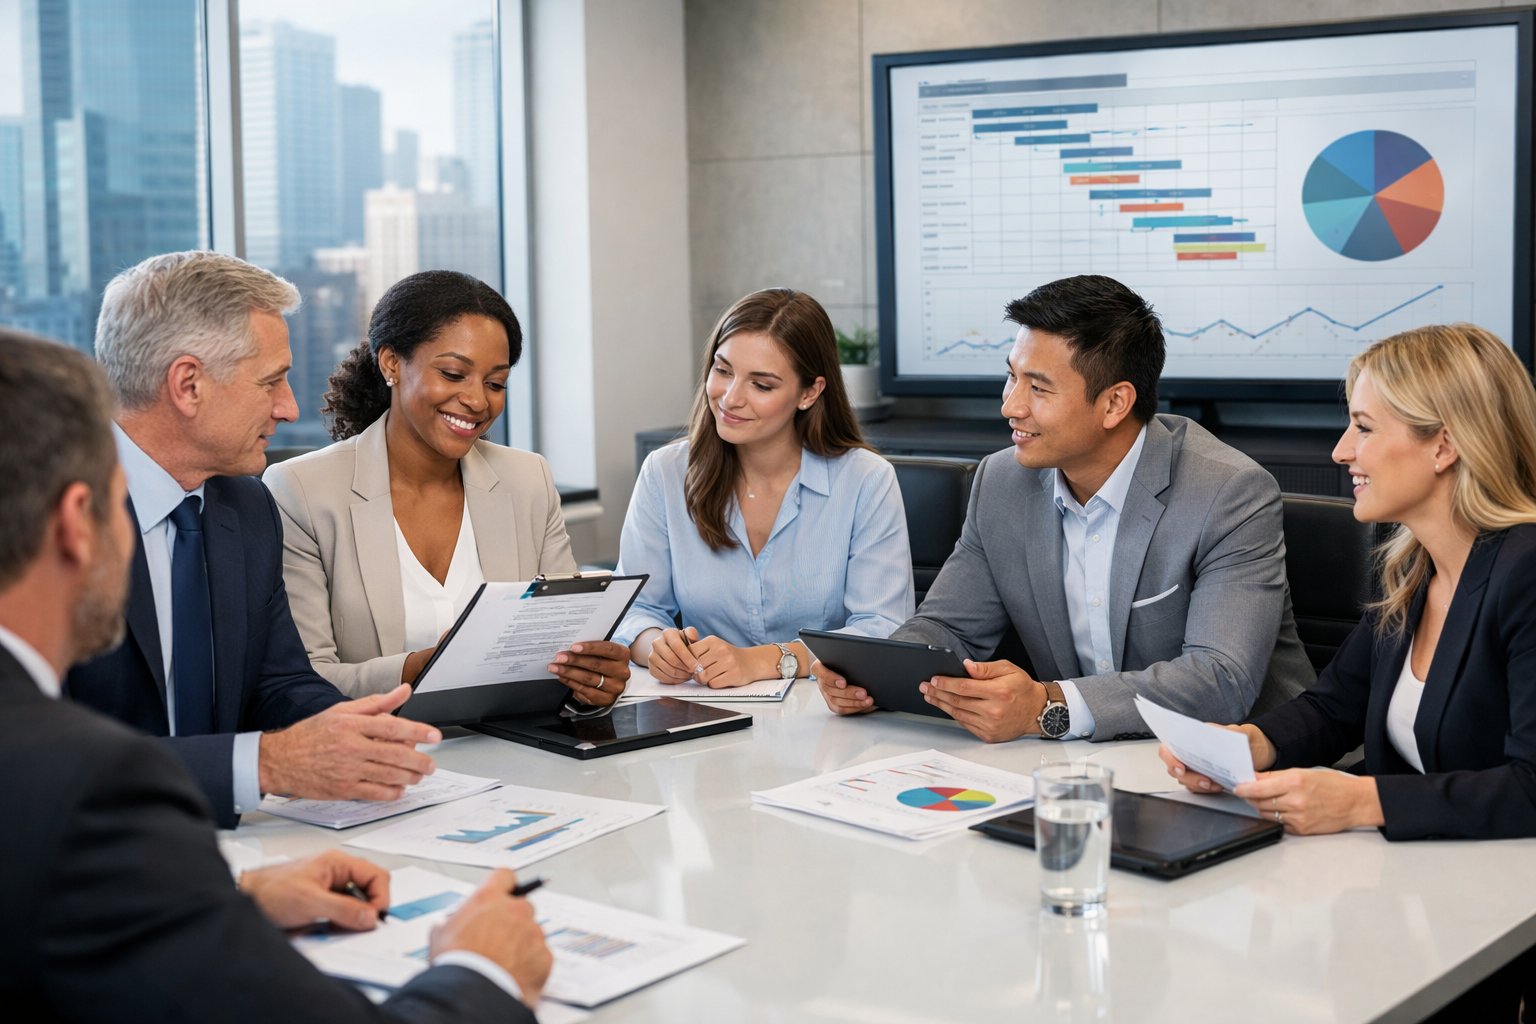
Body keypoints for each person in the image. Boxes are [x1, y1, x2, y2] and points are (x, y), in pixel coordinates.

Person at [0, 327, 551, 1023]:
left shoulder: (242, 504)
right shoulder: (81, 786)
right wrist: (484, 969)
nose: (291, 407)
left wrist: (241, 896)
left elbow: (48, 907)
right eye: (118, 503)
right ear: (78, 523)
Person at [819, 274, 1314, 740]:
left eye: (1038, 388)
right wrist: (872, 674)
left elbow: (1219, 679)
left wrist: (1046, 705)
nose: (1011, 406)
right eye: (1011, 378)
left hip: (1243, 765)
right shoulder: (1002, 481)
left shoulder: (1228, 492)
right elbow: (949, 629)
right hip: (1083, 761)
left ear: (1115, 403)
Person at [65, 251, 439, 829]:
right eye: (271, 381)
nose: (289, 408)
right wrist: (261, 764)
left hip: (233, 850)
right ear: (187, 385)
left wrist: (355, 734)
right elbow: (39, 753)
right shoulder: (43, 520)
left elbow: (277, 681)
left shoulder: (247, 506)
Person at [1161, 324, 1536, 839]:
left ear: (1443, 446)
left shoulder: (1526, 572)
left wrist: (1365, 801)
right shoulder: (1414, 568)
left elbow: (1530, 787)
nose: (1341, 452)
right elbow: (1335, 708)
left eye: (1363, 427)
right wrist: (1250, 745)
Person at [263, 269, 629, 704]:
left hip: (519, 751)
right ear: (391, 363)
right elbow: (301, 681)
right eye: (454, 374)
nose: (478, 401)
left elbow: (560, 643)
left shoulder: (527, 480)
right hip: (377, 754)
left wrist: (590, 680)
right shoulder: (302, 491)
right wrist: (414, 670)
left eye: (495, 383)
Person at [614, 287, 913, 688]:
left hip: (824, 721)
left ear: (810, 392)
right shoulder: (665, 473)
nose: (730, 398)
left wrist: (764, 661)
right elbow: (634, 608)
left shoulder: (865, 480)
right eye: (723, 371)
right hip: (704, 711)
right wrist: (656, 647)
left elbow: (883, 628)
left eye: (762, 385)